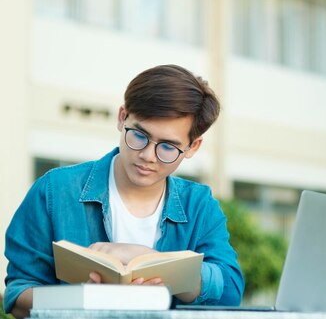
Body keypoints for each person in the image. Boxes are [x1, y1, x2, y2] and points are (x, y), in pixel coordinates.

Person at [3, 64, 245, 318]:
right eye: (139, 135)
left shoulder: (199, 204)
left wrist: (156, 262)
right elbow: (18, 295)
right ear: (122, 117)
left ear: (193, 146)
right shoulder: (55, 190)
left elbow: (230, 291)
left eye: (167, 147)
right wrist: (83, 299)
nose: (147, 156)